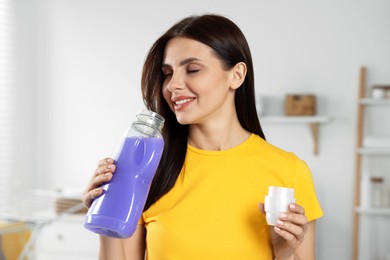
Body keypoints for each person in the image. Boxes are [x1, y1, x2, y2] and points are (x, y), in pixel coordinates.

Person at [82, 13, 323, 260]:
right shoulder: (146, 168)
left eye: (193, 69)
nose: (172, 85)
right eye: (167, 73)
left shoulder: (289, 171)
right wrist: (106, 218)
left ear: (237, 75)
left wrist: (284, 254)